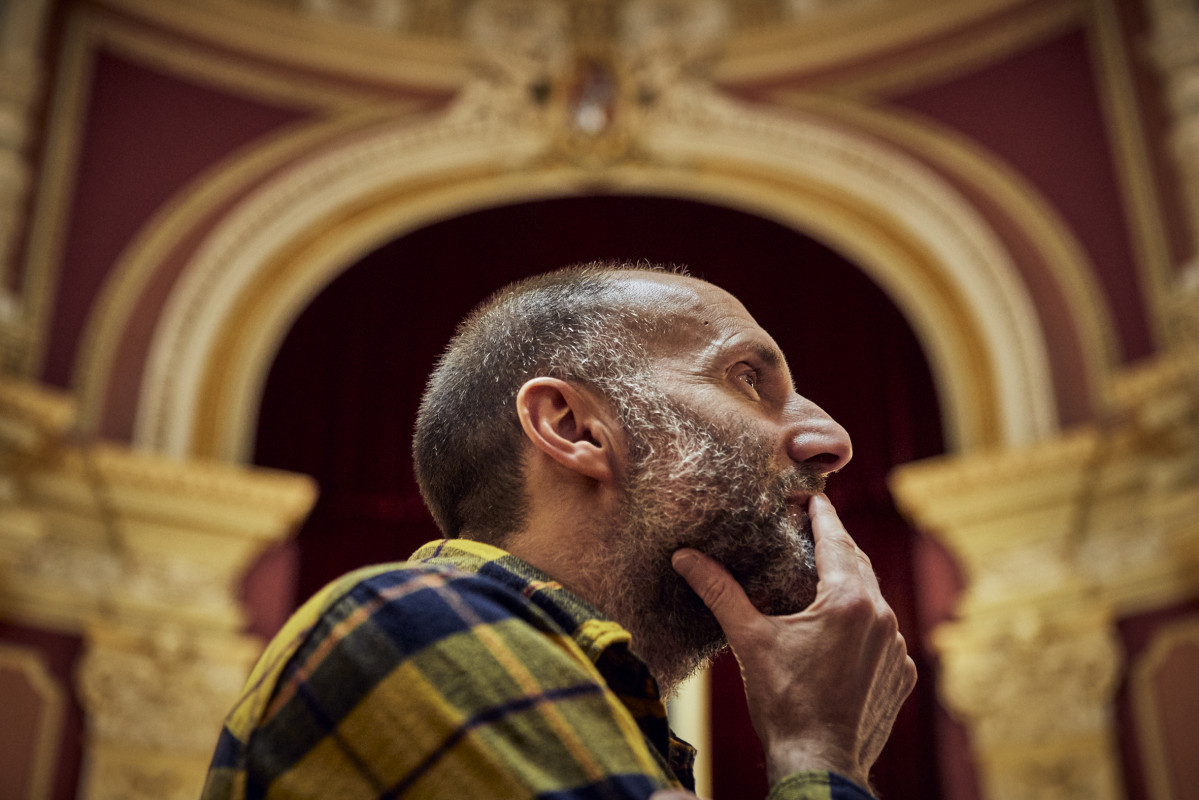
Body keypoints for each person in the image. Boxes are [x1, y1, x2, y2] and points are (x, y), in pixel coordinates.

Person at [202, 262, 916, 800]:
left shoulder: (608, 713)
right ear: (572, 427)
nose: (831, 438)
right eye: (746, 380)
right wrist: (818, 749)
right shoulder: (407, 624)